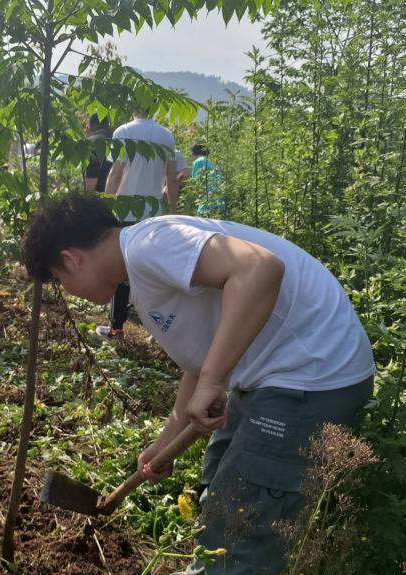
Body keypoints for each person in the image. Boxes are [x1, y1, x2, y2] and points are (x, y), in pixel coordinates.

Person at [21, 194, 376, 575]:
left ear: (72, 258)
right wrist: (166, 441)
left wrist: (213, 380)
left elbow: (260, 270)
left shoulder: (149, 246)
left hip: (313, 376)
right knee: (218, 478)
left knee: (242, 518)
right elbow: (201, 357)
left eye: (60, 280)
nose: (68, 290)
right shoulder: (140, 272)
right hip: (277, 375)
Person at [96, 107, 177, 338]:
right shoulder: (166, 135)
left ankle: (116, 327)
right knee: (152, 269)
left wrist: (105, 206)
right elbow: (171, 177)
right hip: (153, 212)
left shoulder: (124, 131)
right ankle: (158, 329)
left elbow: (116, 173)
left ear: (132, 107)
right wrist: (171, 210)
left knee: (121, 267)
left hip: (126, 209)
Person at [191, 144, 225, 217]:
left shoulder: (197, 162)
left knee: (201, 223)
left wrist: (198, 196)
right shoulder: (211, 162)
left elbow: (197, 182)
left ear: (193, 153)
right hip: (219, 198)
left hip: (207, 197)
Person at [83, 113, 113, 193]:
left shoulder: (92, 143)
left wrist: (88, 195)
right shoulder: (116, 139)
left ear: (88, 128)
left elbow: (92, 172)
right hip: (119, 192)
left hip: (100, 196)